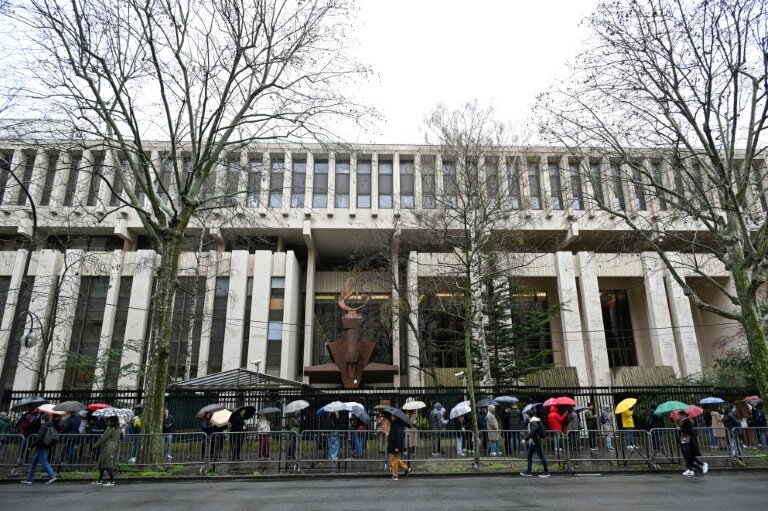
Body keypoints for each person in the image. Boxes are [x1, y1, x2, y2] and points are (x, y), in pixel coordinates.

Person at [20, 413, 57, 485]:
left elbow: (39, 438)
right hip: (46, 445)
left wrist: (31, 446)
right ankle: (29, 479)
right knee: (34, 463)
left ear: (43, 419)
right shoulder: (51, 425)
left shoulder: (43, 426)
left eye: (41, 419)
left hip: (41, 446)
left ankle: (52, 476)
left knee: (44, 462)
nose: (40, 420)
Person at [520, 407, 550, 478]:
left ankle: (546, 472)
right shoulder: (534, 420)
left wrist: (525, 439)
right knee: (529, 456)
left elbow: (533, 431)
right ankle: (528, 472)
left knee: (541, 456)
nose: (525, 416)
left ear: (528, 415)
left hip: (536, 442)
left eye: (526, 415)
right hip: (533, 442)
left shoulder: (533, 422)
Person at [92, 416, 121, 486]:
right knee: (103, 462)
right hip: (114, 446)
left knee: (108, 462)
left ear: (111, 421)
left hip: (108, 446)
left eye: (109, 420)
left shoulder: (110, 428)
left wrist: (95, 445)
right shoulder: (118, 428)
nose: (108, 421)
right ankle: (100, 479)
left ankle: (111, 481)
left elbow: (103, 438)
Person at [678, 410, 708, 476]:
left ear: (683, 415)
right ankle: (692, 469)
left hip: (688, 438)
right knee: (686, 455)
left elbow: (688, 431)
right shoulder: (683, 421)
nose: (679, 417)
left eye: (680, 415)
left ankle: (700, 465)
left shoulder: (686, 421)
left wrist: (680, 429)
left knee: (688, 455)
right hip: (685, 438)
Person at [386, 413, 411, 481]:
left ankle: (395, 475)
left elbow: (400, 437)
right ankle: (406, 468)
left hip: (396, 445)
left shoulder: (398, 425)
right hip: (394, 444)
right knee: (395, 459)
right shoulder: (394, 424)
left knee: (394, 460)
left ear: (396, 417)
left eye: (393, 416)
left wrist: (398, 447)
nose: (391, 417)